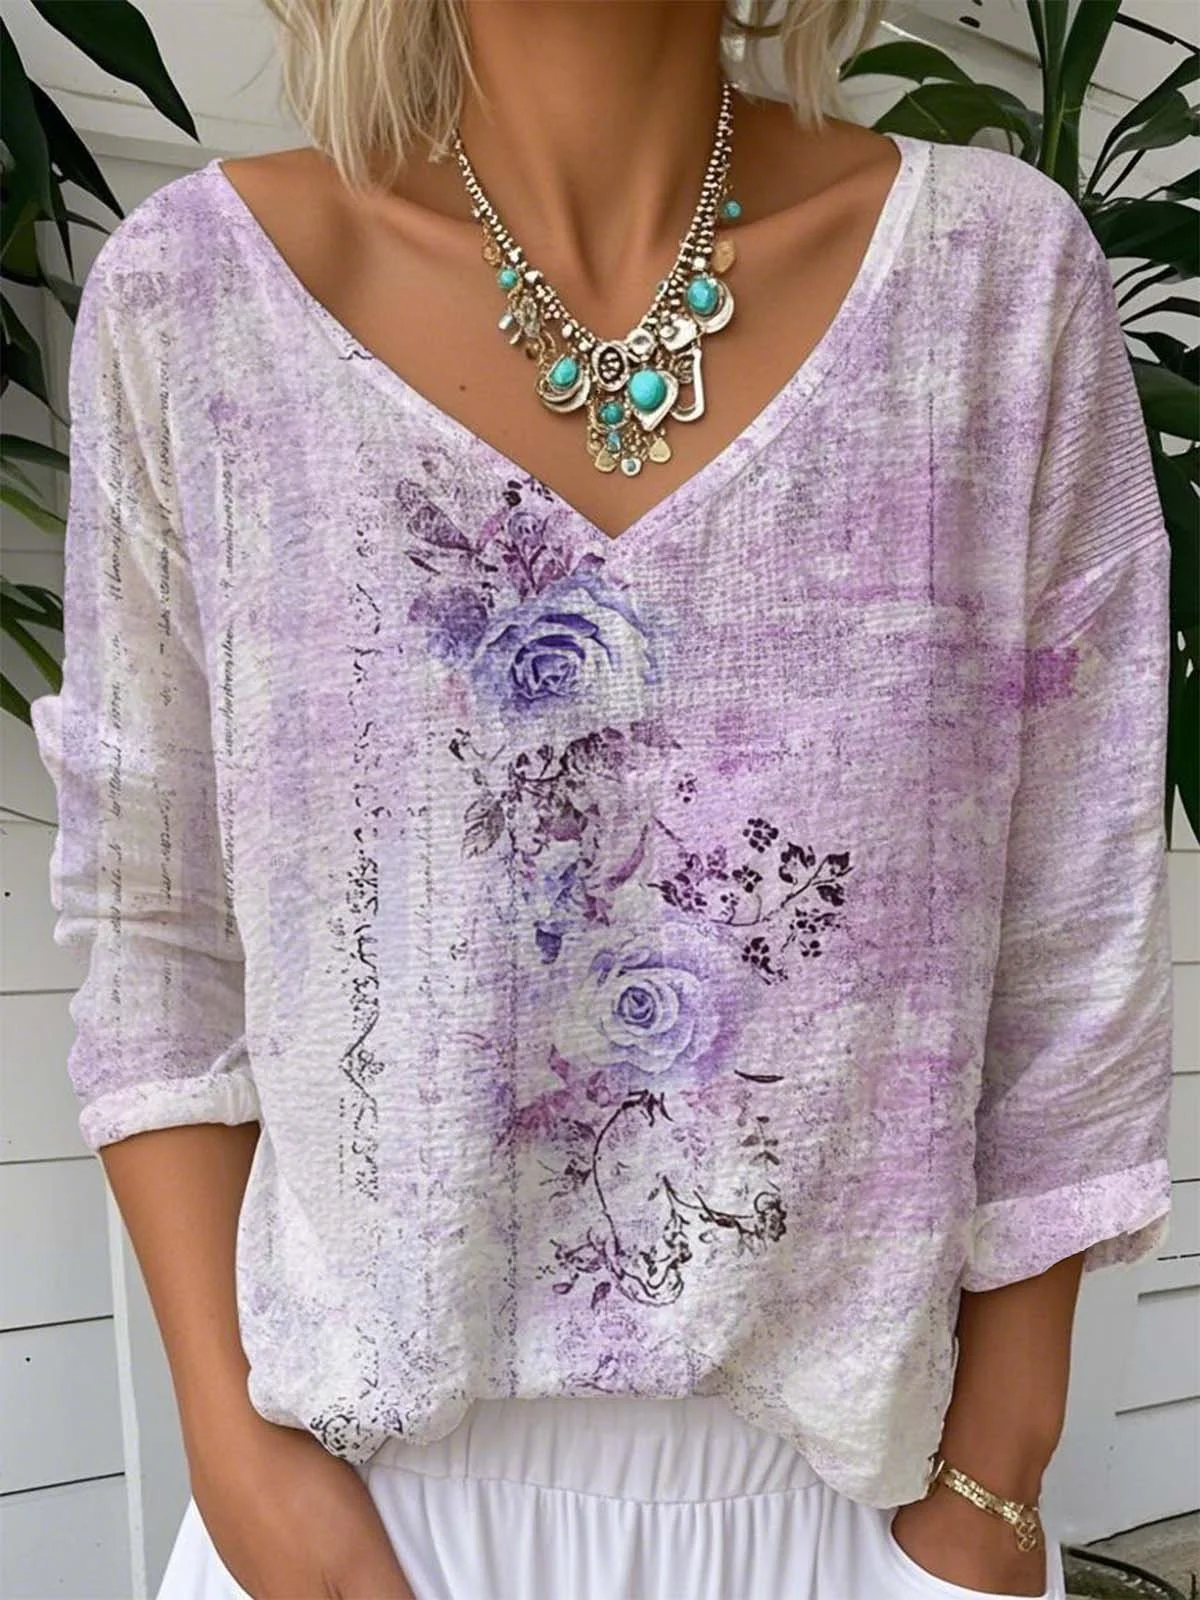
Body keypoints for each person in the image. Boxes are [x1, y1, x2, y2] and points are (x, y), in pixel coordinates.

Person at [29, 0, 1175, 1596]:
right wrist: (252, 1480)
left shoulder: (991, 283)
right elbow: (158, 933)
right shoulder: (198, 303)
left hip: (863, 1521)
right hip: (362, 1519)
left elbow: (1075, 925)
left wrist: (993, 1484)